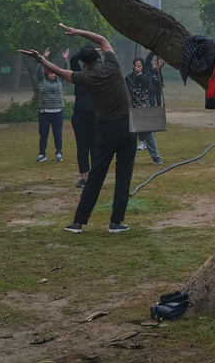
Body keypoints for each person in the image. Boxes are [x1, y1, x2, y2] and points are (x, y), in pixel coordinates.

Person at [21, 24, 135, 234]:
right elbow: (102, 39)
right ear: (99, 56)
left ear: (84, 64)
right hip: (129, 126)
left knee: (96, 175)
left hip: (107, 128)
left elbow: (61, 71)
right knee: (124, 175)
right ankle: (116, 222)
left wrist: (40, 59)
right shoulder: (113, 65)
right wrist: (78, 31)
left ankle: (79, 222)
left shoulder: (87, 77)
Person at [67, 48, 98, 188]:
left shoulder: (98, 77)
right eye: (84, 66)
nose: (85, 69)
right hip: (79, 116)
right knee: (82, 147)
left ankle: (95, 176)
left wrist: (95, 54)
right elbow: (73, 59)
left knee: (94, 147)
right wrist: (89, 51)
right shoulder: (79, 78)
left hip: (94, 116)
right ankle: (83, 177)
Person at [126, 56, 162, 164]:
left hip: (144, 107)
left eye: (139, 66)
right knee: (130, 133)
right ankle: (128, 158)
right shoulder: (128, 78)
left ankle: (155, 156)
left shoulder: (146, 76)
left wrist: (139, 75)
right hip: (133, 108)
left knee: (148, 133)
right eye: (136, 66)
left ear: (142, 67)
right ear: (132, 66)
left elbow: (148, 86)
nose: (137, 68)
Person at [33, 47, 64, 163]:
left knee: (58, 135)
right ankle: (42, 154)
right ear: (47, 74)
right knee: (43, 134)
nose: (52, 75)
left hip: (58, 112)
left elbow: (66, 72)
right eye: (50, 73)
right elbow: (39, 71)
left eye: (54, 73)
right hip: (44, 112)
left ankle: (59, 153)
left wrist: (65, 60)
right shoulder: (41, 80)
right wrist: (43, 58)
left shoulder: (59, 80)